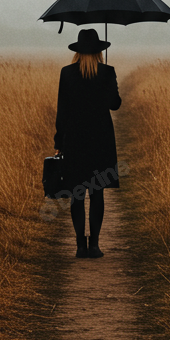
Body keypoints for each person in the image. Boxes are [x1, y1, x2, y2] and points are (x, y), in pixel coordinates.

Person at [54, 28, 122, 259]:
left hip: (74, 138)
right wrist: (110, 83)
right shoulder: (107, 71)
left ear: (78, 51)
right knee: (97, 192)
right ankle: (94, 246)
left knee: (77, 194)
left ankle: (79, 247)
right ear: (99, 51)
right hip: (101, 139)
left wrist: (58, 141)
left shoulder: (67, 73)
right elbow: (115, 105)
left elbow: (62, 111)